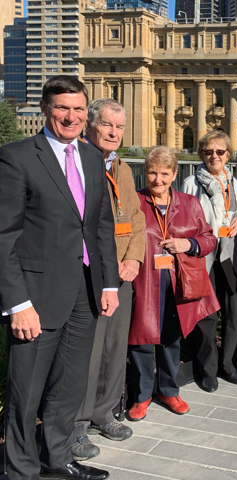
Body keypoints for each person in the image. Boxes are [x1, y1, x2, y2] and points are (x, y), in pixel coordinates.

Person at [0, 76, 119, 480]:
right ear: (45, 109)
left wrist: (108, 283)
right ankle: (19, 472)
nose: (72, 116)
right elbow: (3, 237)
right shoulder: (16, 157)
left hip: (85, 293)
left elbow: (100, 225)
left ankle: (57, 459)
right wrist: (17, 304)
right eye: (63, 108)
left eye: (79, 109)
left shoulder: (90, 157)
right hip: (36, 299)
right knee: (26, 392)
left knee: (69, 386)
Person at [72, 98, 145, 461]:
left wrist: (133, 259)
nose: (114, 133)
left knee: (115, 350)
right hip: (92, 275)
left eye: (119, 127)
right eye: (107, 125)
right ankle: (77, 425)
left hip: (122, 276)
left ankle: (105, 413)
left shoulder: (124, 169)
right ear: (90, 126)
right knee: (88, 352)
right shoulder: (79, 165)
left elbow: (136, 218)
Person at [127, 146, 220, 421]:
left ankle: (169, 390)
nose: (158, 179)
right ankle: (142, 395)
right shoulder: (134, 202)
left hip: (177, 282)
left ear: (175, 174)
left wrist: (188, 244)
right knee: (141, 339)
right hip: (143, 282)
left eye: (164, 173)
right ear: (145, 173)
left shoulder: (189, 203)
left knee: (171, 338)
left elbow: (209, 239)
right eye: (152, 173)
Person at [181, 131, 237, 392]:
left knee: (233, 311)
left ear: (228, 155)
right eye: (209, 151)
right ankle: (207, 369)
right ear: (201, 154)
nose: (214, 156)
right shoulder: (190, 183)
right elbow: (183, 220)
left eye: (220, 152)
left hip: (230, 254)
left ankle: (228, 364)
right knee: (207, 314)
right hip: (204, 256)